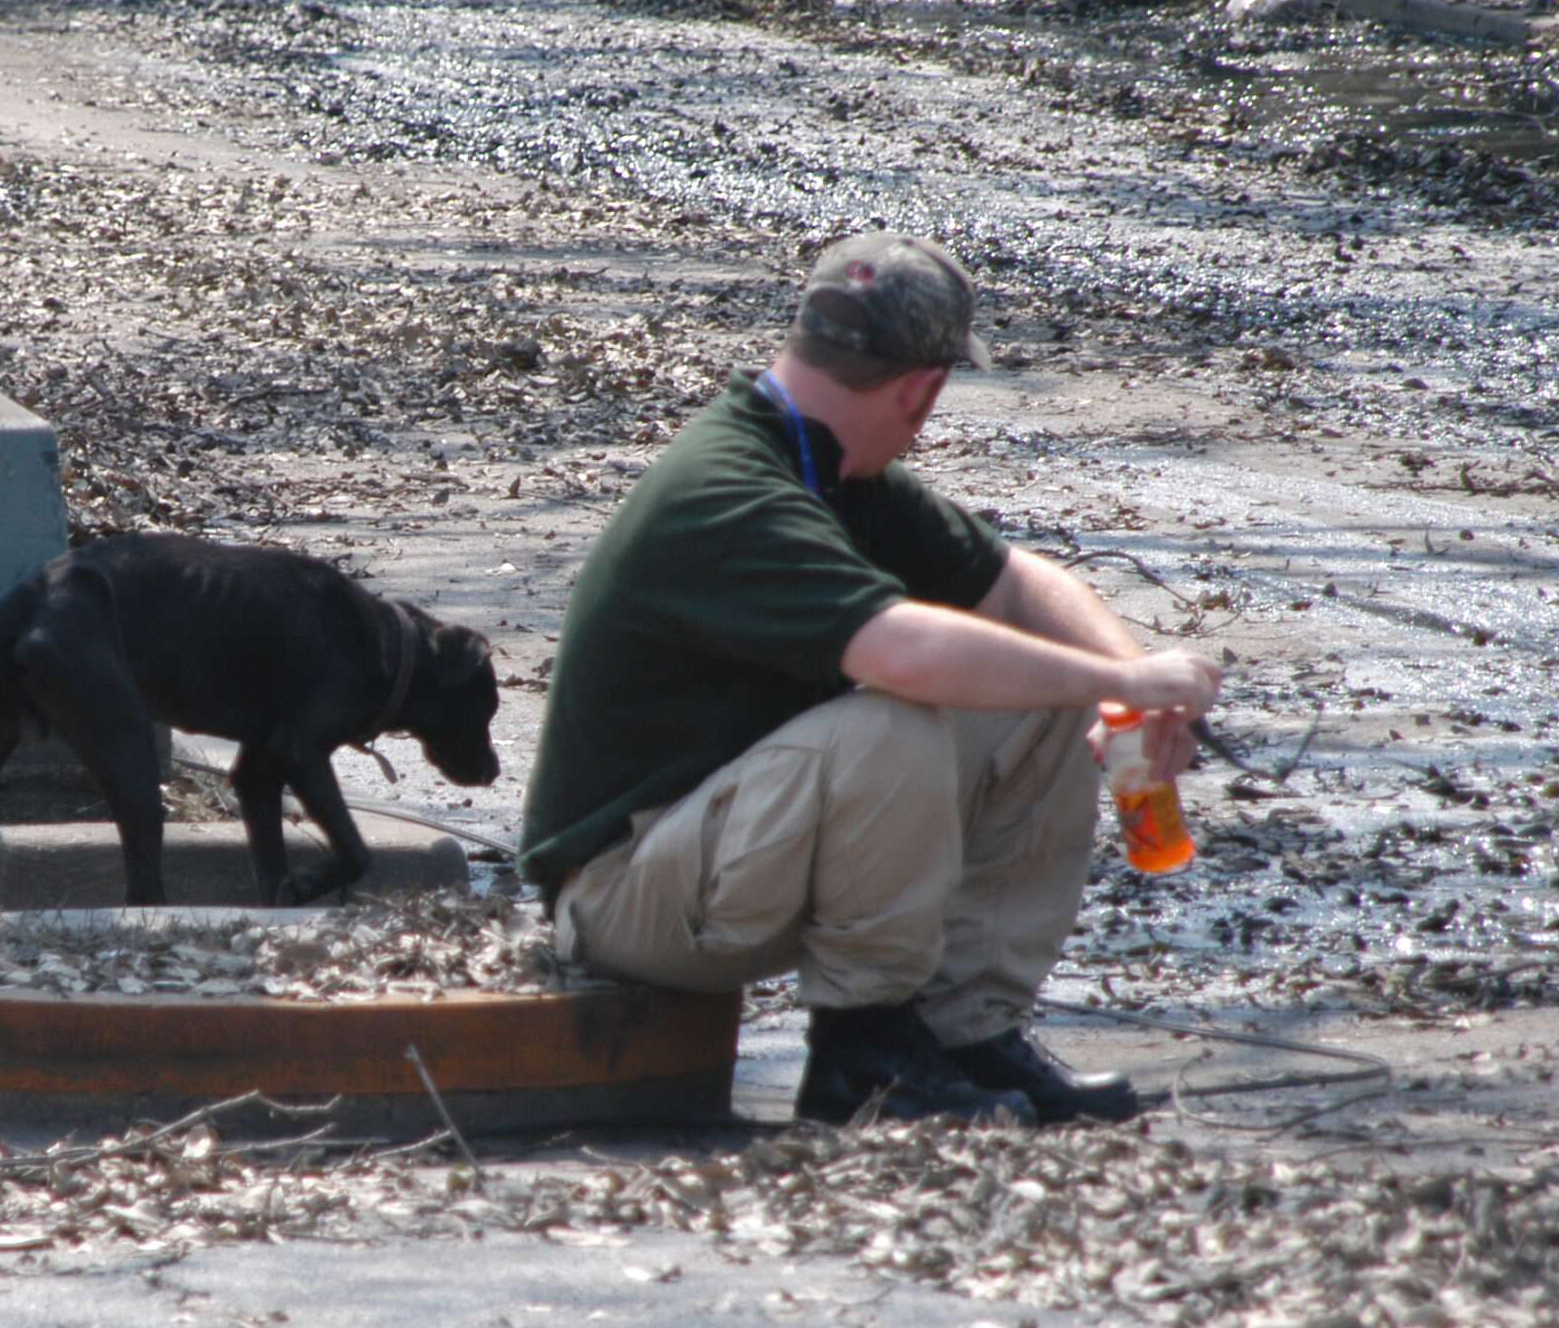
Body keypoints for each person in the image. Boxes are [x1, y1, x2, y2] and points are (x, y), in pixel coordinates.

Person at [519, 231, 1221, 1127]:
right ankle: (863, 1054)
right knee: (897, 721)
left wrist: (1125, 689)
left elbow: (1016, 583)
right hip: (621, 899)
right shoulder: (729, 488)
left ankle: (962, 1032)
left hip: (711, 861)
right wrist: (1137, 675)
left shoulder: (825, 464)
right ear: (922, 389)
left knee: (1043, 691)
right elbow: (904, 654)